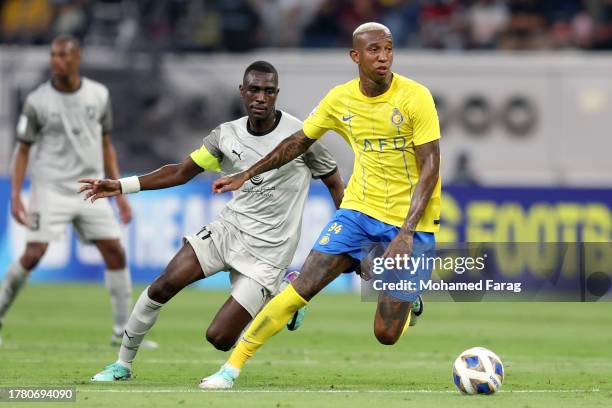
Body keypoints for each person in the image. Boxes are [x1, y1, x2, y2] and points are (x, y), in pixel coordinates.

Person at [201, 22, 441, 389]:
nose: (383, 57)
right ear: (355, 56)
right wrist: (245, 174)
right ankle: (230, 368)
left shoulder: (415, 97)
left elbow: (431, 166)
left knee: (386, 334)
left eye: (388, 49)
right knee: (300, 289)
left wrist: (406, 233)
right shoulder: (340, 99)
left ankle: (411, 304)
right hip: (359, 211)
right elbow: (297, 143)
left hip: (411, 223)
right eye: (374, 50)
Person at [83, 61, 344, 381]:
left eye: (268, 91)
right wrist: (122, 185)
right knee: (163, 284)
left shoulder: (302, 136)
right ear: (242, 92)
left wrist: (346, 232)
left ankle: (282, 295)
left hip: (269, 252)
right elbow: (181, 172)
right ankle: (122, 365)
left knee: (219, 338)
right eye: (254, 90)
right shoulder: (226, 135)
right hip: (227, 231)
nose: (261, 97)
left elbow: (334, 183)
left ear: (277, 94)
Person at [0, 35, 158, 349]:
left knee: (115, 251)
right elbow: (22, 150)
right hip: (51, 188)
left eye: (62, 55)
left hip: (90, 188)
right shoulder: (37, 101)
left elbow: (105, 144)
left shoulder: (98, 95)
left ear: (76, 58)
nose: (55, 61)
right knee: (33, 254)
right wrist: (16, 194)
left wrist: (120, 194)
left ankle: (121, 333)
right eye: (52, 55)